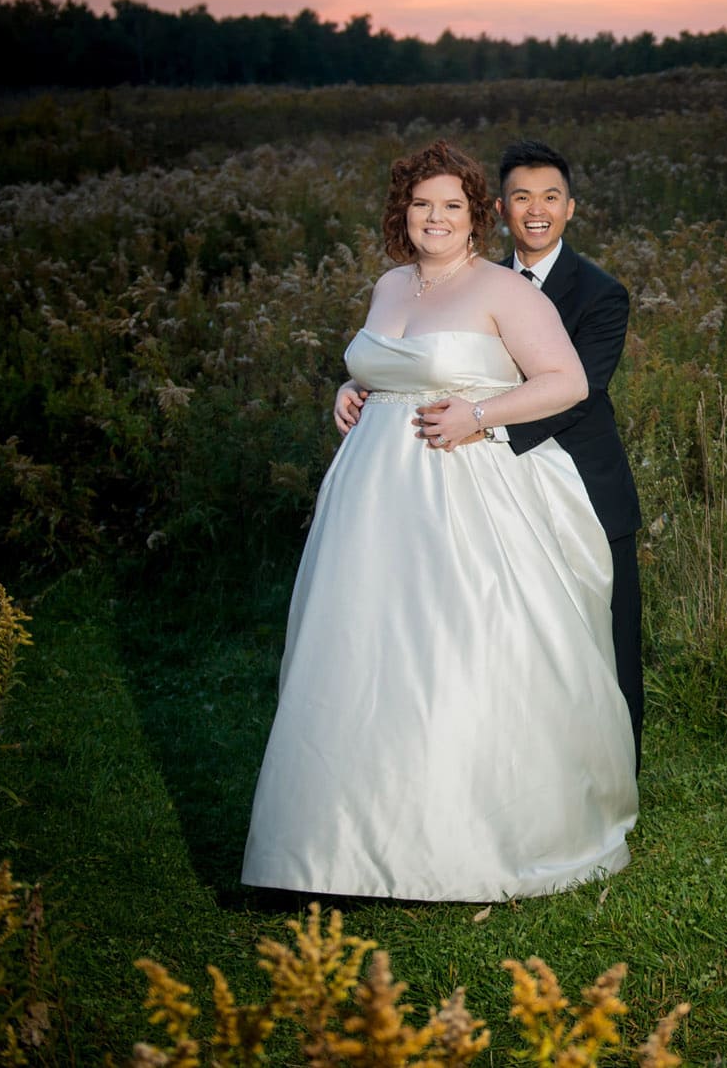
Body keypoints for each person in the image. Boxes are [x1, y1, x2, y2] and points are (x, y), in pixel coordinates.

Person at [241, 140, 637, 903]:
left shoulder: (503, 290)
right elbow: (384, 362)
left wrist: (478, 414)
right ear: (403, 210)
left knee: (452, 656)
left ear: (475, 215)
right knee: (362, 658)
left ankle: (463, 838)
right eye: (422, 203)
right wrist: (350, 389)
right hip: (371, 504)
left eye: (452, 205)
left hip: (463, 497)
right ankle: (334, 844)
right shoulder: (389, 286)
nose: (436, 217)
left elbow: (566, 381)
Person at [414, 140, 646, 774]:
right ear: (499, 208)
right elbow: (431, 361)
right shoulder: (475, 281)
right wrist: (362, 387)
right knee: (513, 631)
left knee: (609, 633)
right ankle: (526, 771)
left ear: (570, 208)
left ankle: (619, 776)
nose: (535, 210)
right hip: (488, 490)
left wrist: (484, 428)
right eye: (521, 197)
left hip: (581, 482)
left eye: (550, 197)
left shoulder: (601, 294)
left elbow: (578, 393)